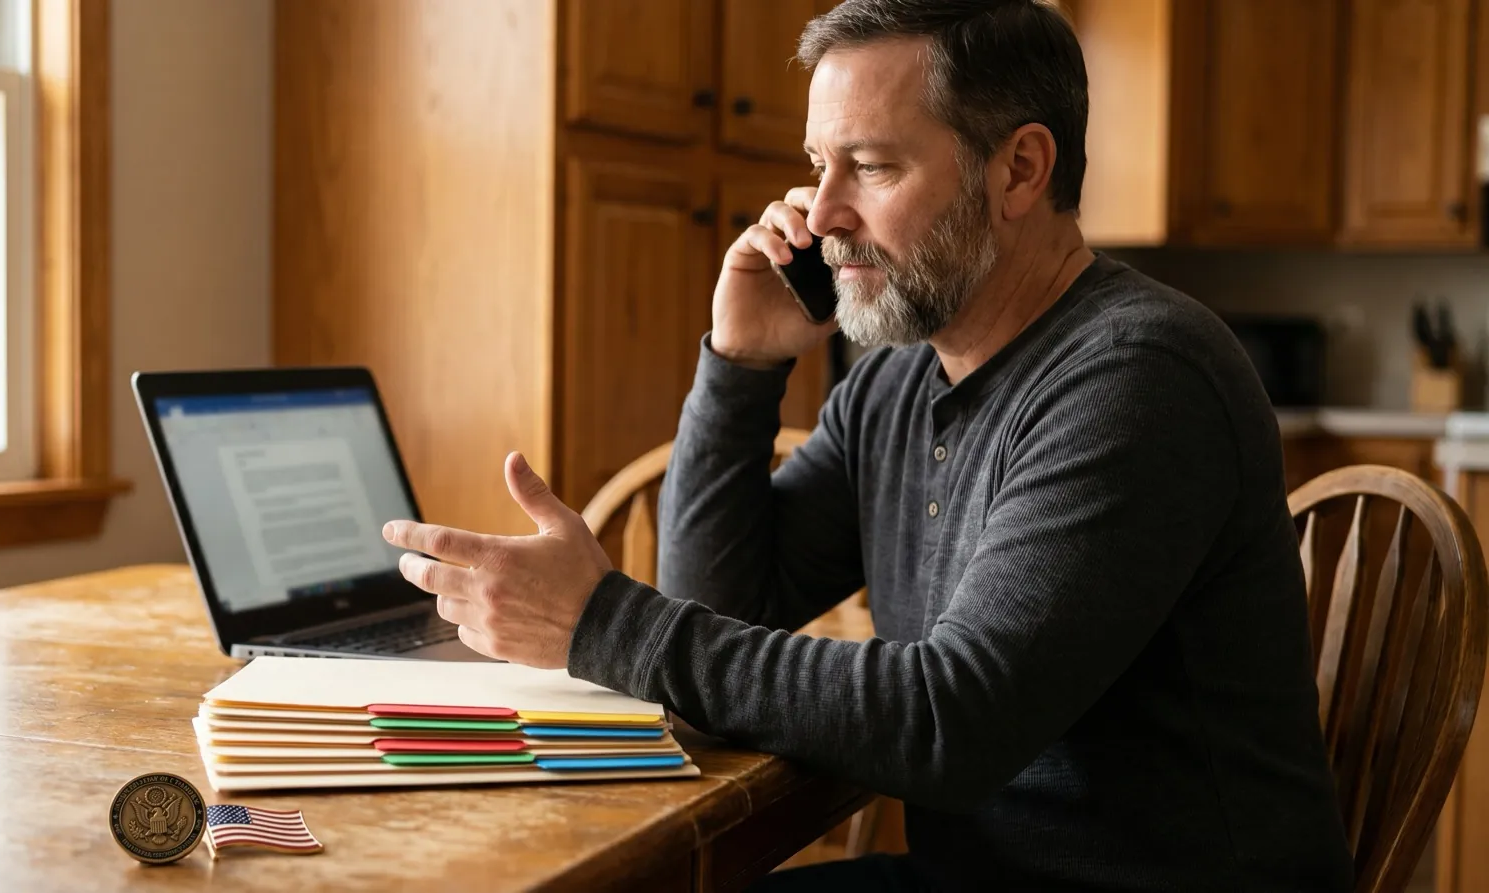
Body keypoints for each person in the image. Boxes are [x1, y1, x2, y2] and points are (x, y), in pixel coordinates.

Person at [381, 1, 1356, 889]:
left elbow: (952, 722)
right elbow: (718, 610)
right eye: (818, 165)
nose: (821, 212)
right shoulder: (896, 379)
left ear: (1019, 169)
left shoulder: (1137, 377)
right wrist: (740, 363)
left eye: (873, 166)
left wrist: (601, 621)